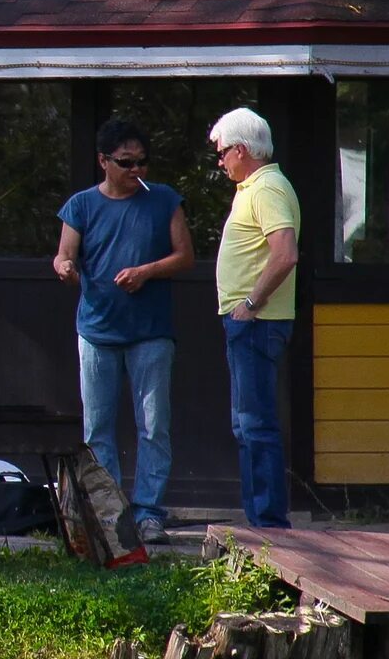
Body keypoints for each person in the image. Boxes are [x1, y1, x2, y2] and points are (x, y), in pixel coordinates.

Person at [54, 119, 194, 542]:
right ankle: (109, 513)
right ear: (103, 161)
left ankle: (149, 512)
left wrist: (147, 272)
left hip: (151, 332)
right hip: (97, 330)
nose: (137, 171)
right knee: (97, 427)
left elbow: (185, 257)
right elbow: (64, 255)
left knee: (154, 424)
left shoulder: (164, 200)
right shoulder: (80, 205)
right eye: (127, 162)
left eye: (143, 162)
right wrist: (65, 268)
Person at [209, 106, 301, 528]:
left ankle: (269, 525)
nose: (221, 160)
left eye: (224, 151)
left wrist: (251, 303)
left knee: (256, 425)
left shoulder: (266, 188)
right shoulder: (256, 187)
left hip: (257, 323)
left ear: (243, 150)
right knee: (246, 426)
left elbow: (285, 253)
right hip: (250, 323)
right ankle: (260, 521)